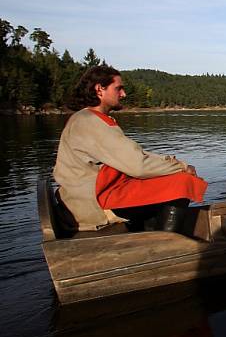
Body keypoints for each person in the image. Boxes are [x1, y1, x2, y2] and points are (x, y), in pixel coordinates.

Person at [53, 66, 207, 232]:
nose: (123, 94)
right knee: (183, 182)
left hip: (86, 196)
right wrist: (182, 168)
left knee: (167, 179)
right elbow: (139, 165)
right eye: (118, 88)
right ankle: (166, 244)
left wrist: (173, 163)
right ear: (99, 89)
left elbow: (136, 156)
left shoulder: (85, 118)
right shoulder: (91, 122)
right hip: (91, 204)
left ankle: (149, 232)